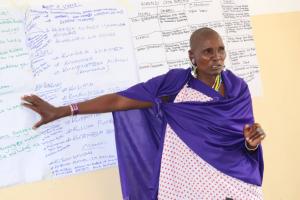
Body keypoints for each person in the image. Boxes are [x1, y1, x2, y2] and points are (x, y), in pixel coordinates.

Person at [22, 27, 266, 200]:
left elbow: (244, 141)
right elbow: (119, 100)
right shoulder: (175, 84)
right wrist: (63, 111)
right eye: (208, 51)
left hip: (235, 179)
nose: (217, 57)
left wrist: (252, 143)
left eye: (221, 50)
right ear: (192, 56)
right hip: (189, 182)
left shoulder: (238, 89)